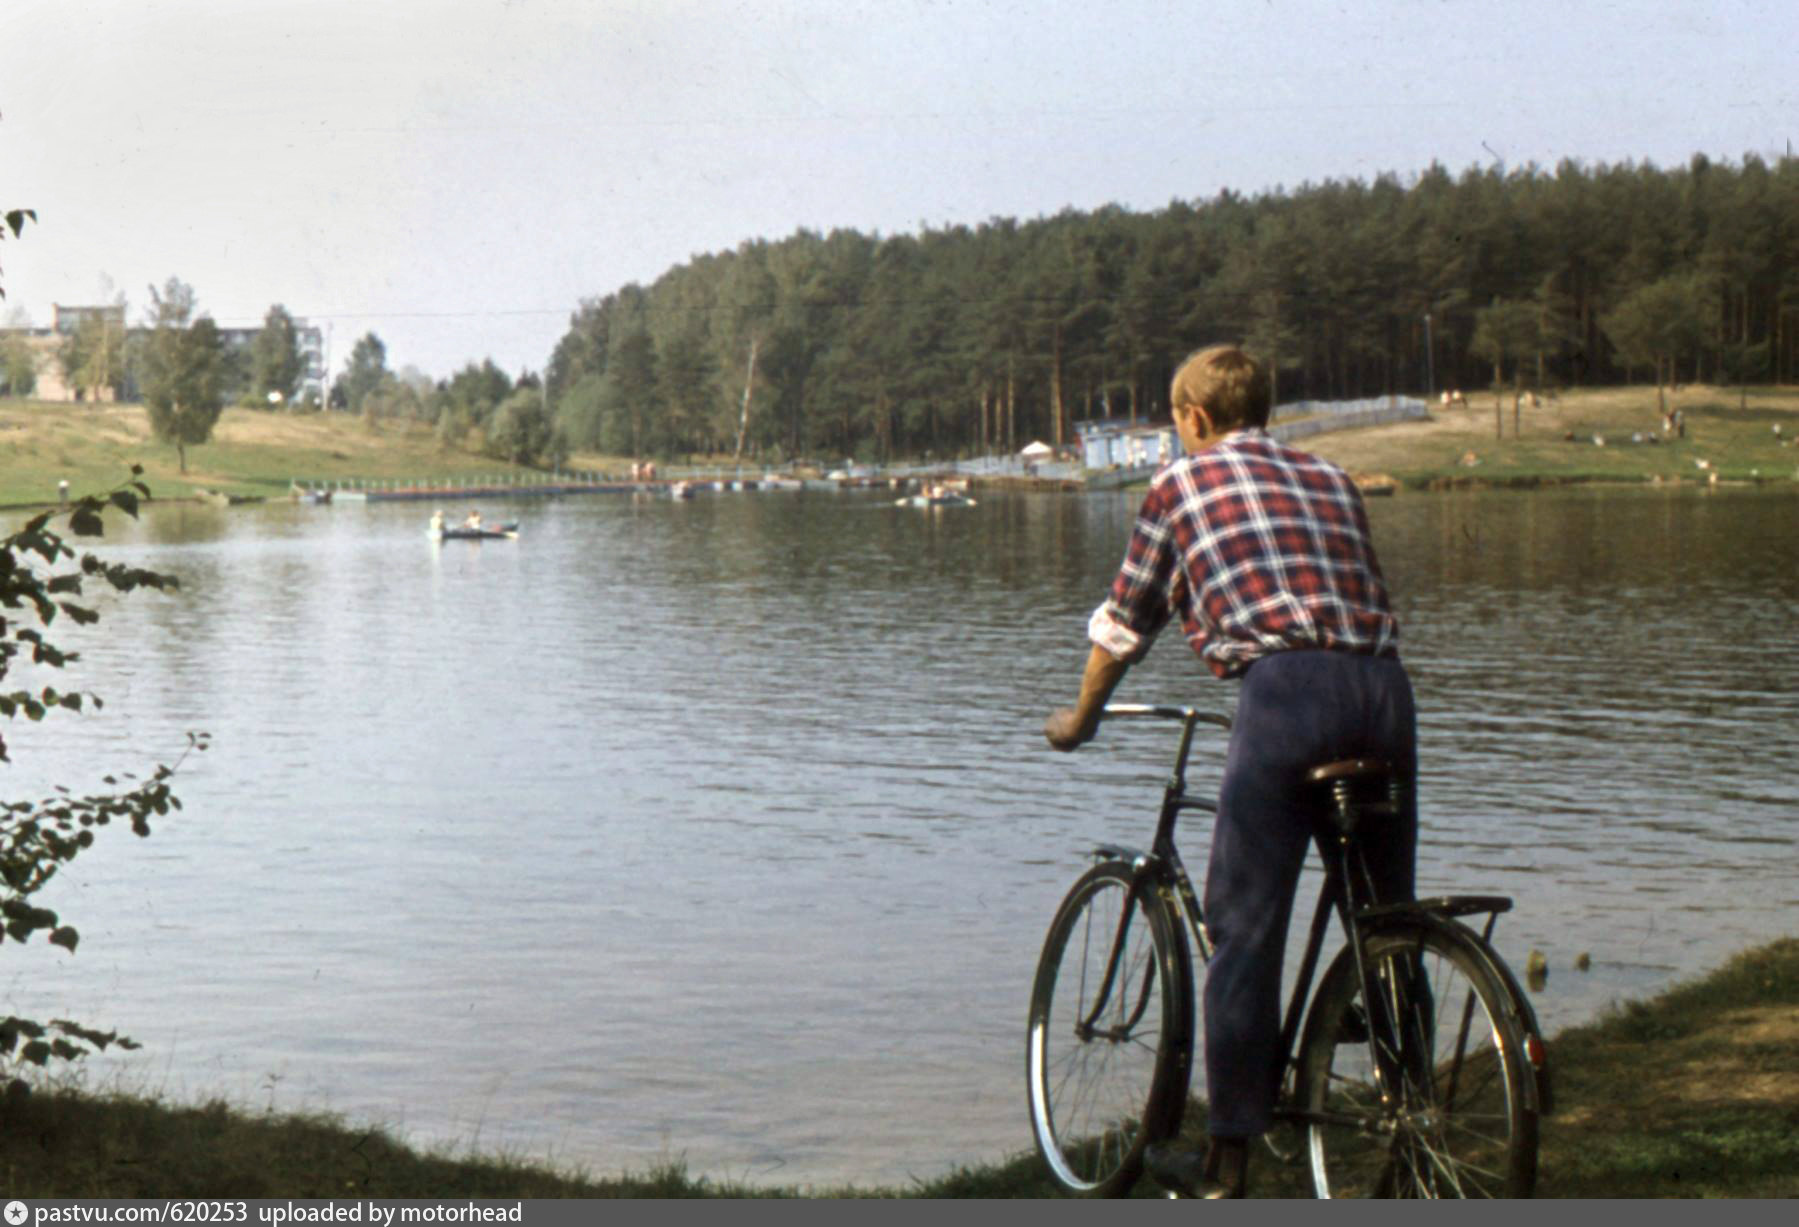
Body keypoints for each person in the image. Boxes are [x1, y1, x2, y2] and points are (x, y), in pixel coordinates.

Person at [1043, 344, 1417, 1199]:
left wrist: (1080, 719)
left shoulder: (1178, 485)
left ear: (1193, 418)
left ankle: (1226, 1161)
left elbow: (1122, 626)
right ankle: (1413, 1113)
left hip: (1287, 694)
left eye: (1176, 420)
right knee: (1384, 913)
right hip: (1384, 690)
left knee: (1243, 925)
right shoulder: (1330, 477)